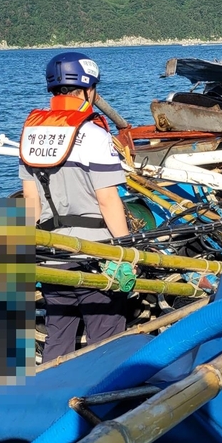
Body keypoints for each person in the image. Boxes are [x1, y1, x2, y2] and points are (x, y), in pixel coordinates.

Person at [19, 52, 130, 361]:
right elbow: (108, 200)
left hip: (53, 255)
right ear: (87, 90)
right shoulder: (94, 134)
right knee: (107, 337)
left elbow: (30, 202)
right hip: (95, 254)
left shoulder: (30, 133)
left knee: (59, 334)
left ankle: (51, 395)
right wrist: (125, 254)